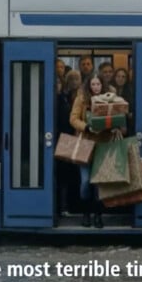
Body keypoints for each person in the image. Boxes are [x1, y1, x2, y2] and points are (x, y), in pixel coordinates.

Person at [69, 73, 122, 229]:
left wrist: (113, 126)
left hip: (103, 145)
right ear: (88, 86)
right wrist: (86, 127)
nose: (96, 87)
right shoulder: (81, 99)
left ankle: (98, 216)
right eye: (93, 84)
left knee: (99, 184)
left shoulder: (110, 98)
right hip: (85, 145)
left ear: (102, 85)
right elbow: (73, 119)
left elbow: (118, 116)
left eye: (98, 84)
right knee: (85, 182)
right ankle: (86, 213)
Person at [56, 70, 82, 218]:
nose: (74, 81)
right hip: (62, 139)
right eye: (71, 79)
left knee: (74, 175)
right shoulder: (60, 98)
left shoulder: (76, 97)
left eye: (76, 79)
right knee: (63, 176)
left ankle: (73, 205)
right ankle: (63, 206)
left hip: (75, 139)